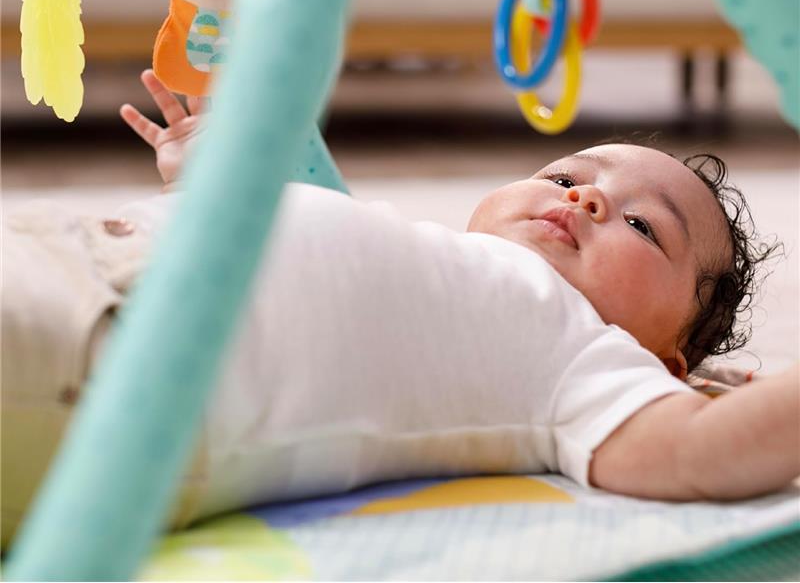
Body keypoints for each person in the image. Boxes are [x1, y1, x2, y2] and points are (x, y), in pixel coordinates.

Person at [2, 70, 798, 546]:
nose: (585, 198)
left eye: (643, 227)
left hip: (110, 366)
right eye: (563, 177)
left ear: (663, 362)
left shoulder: (581, 355)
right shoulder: (435, 257)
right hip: (66, 251)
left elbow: (700, 451)